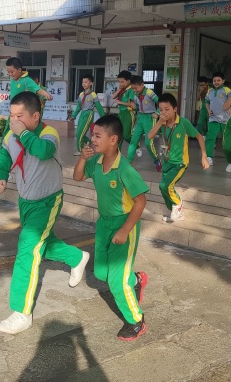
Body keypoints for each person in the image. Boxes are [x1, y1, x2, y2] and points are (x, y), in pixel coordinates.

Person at [0, 92, 89, 335]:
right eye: (11, 116)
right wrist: (1, 176)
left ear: (35, 116)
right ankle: (77, 257)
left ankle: (22, 312)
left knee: (27, 249)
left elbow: (42, 151)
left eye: (20, 116)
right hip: (26, 201)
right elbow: (4, 156)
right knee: (42, 243)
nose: (14, 121)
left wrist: (23, 133)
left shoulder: (48, 133)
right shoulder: (10, 135)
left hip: (47, 201)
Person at [73, 115, 149, 341]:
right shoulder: (96, 162)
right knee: (100, 273)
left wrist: (125, 230)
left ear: (113, 139)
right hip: (104, 223)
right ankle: (136, 280)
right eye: (92, 135)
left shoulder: (124, 169)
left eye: (98, 136)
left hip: (124, 224)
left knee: (116, 282)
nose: (92, 140)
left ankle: (136, 321)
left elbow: (141, 201)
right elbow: (77, 176)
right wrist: (82, 158)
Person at [147, 93, 208, 222]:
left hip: (180, 162)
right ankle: (175, 211)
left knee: (165, 185)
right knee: (164, 188)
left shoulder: (184, 123)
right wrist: (160, 122)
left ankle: (178, 205)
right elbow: (150, 136)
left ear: (175, 109)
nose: (164, 113)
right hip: (166, 161)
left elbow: (199, 137)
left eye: (167, 109)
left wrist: (204, 156)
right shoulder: (161, 123)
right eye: (161, 110)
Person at [1, 58, 53, 141]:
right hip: (13, 111)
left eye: (12, 72)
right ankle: (4, 147)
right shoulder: (13, 79)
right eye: (8, 72)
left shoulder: (26, 80)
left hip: (21, 113)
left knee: (19, 132)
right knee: (7, 131)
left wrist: (46, 95)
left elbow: (38, 89)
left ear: (19, 70)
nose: (10, 74)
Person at [126, 75, 161, 172]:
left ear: (142, 85)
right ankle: (129, 162)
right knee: (133, 141)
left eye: (136, 88)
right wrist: (135, 107)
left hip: (150, 118)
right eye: (133, 88)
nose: (134, 90)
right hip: (140, 118)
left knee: (148, 143)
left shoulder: (149, 92)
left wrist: (157, 113)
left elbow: (160, 102)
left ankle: (156, 160)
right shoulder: (135, 94)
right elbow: (138, 107)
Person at [71, 75, 105, 156]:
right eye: (83, 82)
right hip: (82, 114)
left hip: (89, 114)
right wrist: (73, 116)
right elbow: (79, 107)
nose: (84, 84)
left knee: (80, 133)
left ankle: (80, 150)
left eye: (86, 82)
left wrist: (104, 117)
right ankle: (89, 142)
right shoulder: (81, 94)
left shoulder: (93, 94)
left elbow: (98, 106)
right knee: (78, 133)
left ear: (91, 83)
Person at [204, 72, 231, 165]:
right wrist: (208, 110)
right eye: (214, 80)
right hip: (213, 119)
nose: (216, 82)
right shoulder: (210, 91)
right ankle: (209, 157)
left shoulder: (227, 90)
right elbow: (206, 102)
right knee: (210, 138)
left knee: (227, 139)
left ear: (223, 81)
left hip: (225, 120)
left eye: (218, 80)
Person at [111, 70, 135, 147]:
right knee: (119, 134)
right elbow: (113, 97)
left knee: (126, 135)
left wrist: (120, 102)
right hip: (121, 113)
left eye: (122, 82)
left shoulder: (130, 90)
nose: (120, 84)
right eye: (119, 82)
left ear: (128, 81)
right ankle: (118, 151)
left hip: (128, 113)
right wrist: (119, 89)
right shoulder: (122, 90)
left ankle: (136, 146)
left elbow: (131, 104)